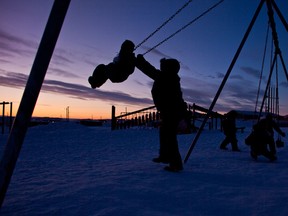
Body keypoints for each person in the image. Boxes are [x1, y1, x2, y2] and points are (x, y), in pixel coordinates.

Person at [136, 54, 189, 172]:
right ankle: (165, 156)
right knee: (164, 133)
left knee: (170, 137)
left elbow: (151, 71)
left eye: (164, 66)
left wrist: (140, 61)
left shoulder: (167, 76)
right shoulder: (169, 76)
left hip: (172, 111)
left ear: (169, 68)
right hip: (170, 110)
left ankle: (176, 164)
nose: (161, 68)